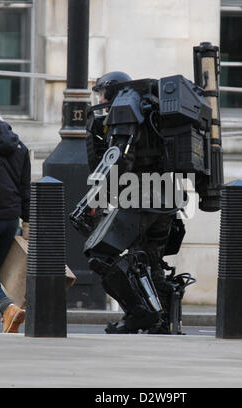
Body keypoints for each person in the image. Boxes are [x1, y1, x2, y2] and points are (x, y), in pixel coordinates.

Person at [84, 72, 179, 334]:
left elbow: (119, 159)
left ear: (111, 92)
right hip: (168, 198)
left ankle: (139, 314)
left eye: (102, 92)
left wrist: (97, 196)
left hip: (140, 197)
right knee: (150, 262)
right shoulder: (152, 112)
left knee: (100, 255)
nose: (100, 99)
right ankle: (162, 323)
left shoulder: (125, 109)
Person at [0, 112, 31, 333]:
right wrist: (27, 222)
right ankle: (2, 322)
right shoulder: (19, 147)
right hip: (9, 219)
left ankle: (8, 308)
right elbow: (26, 189)